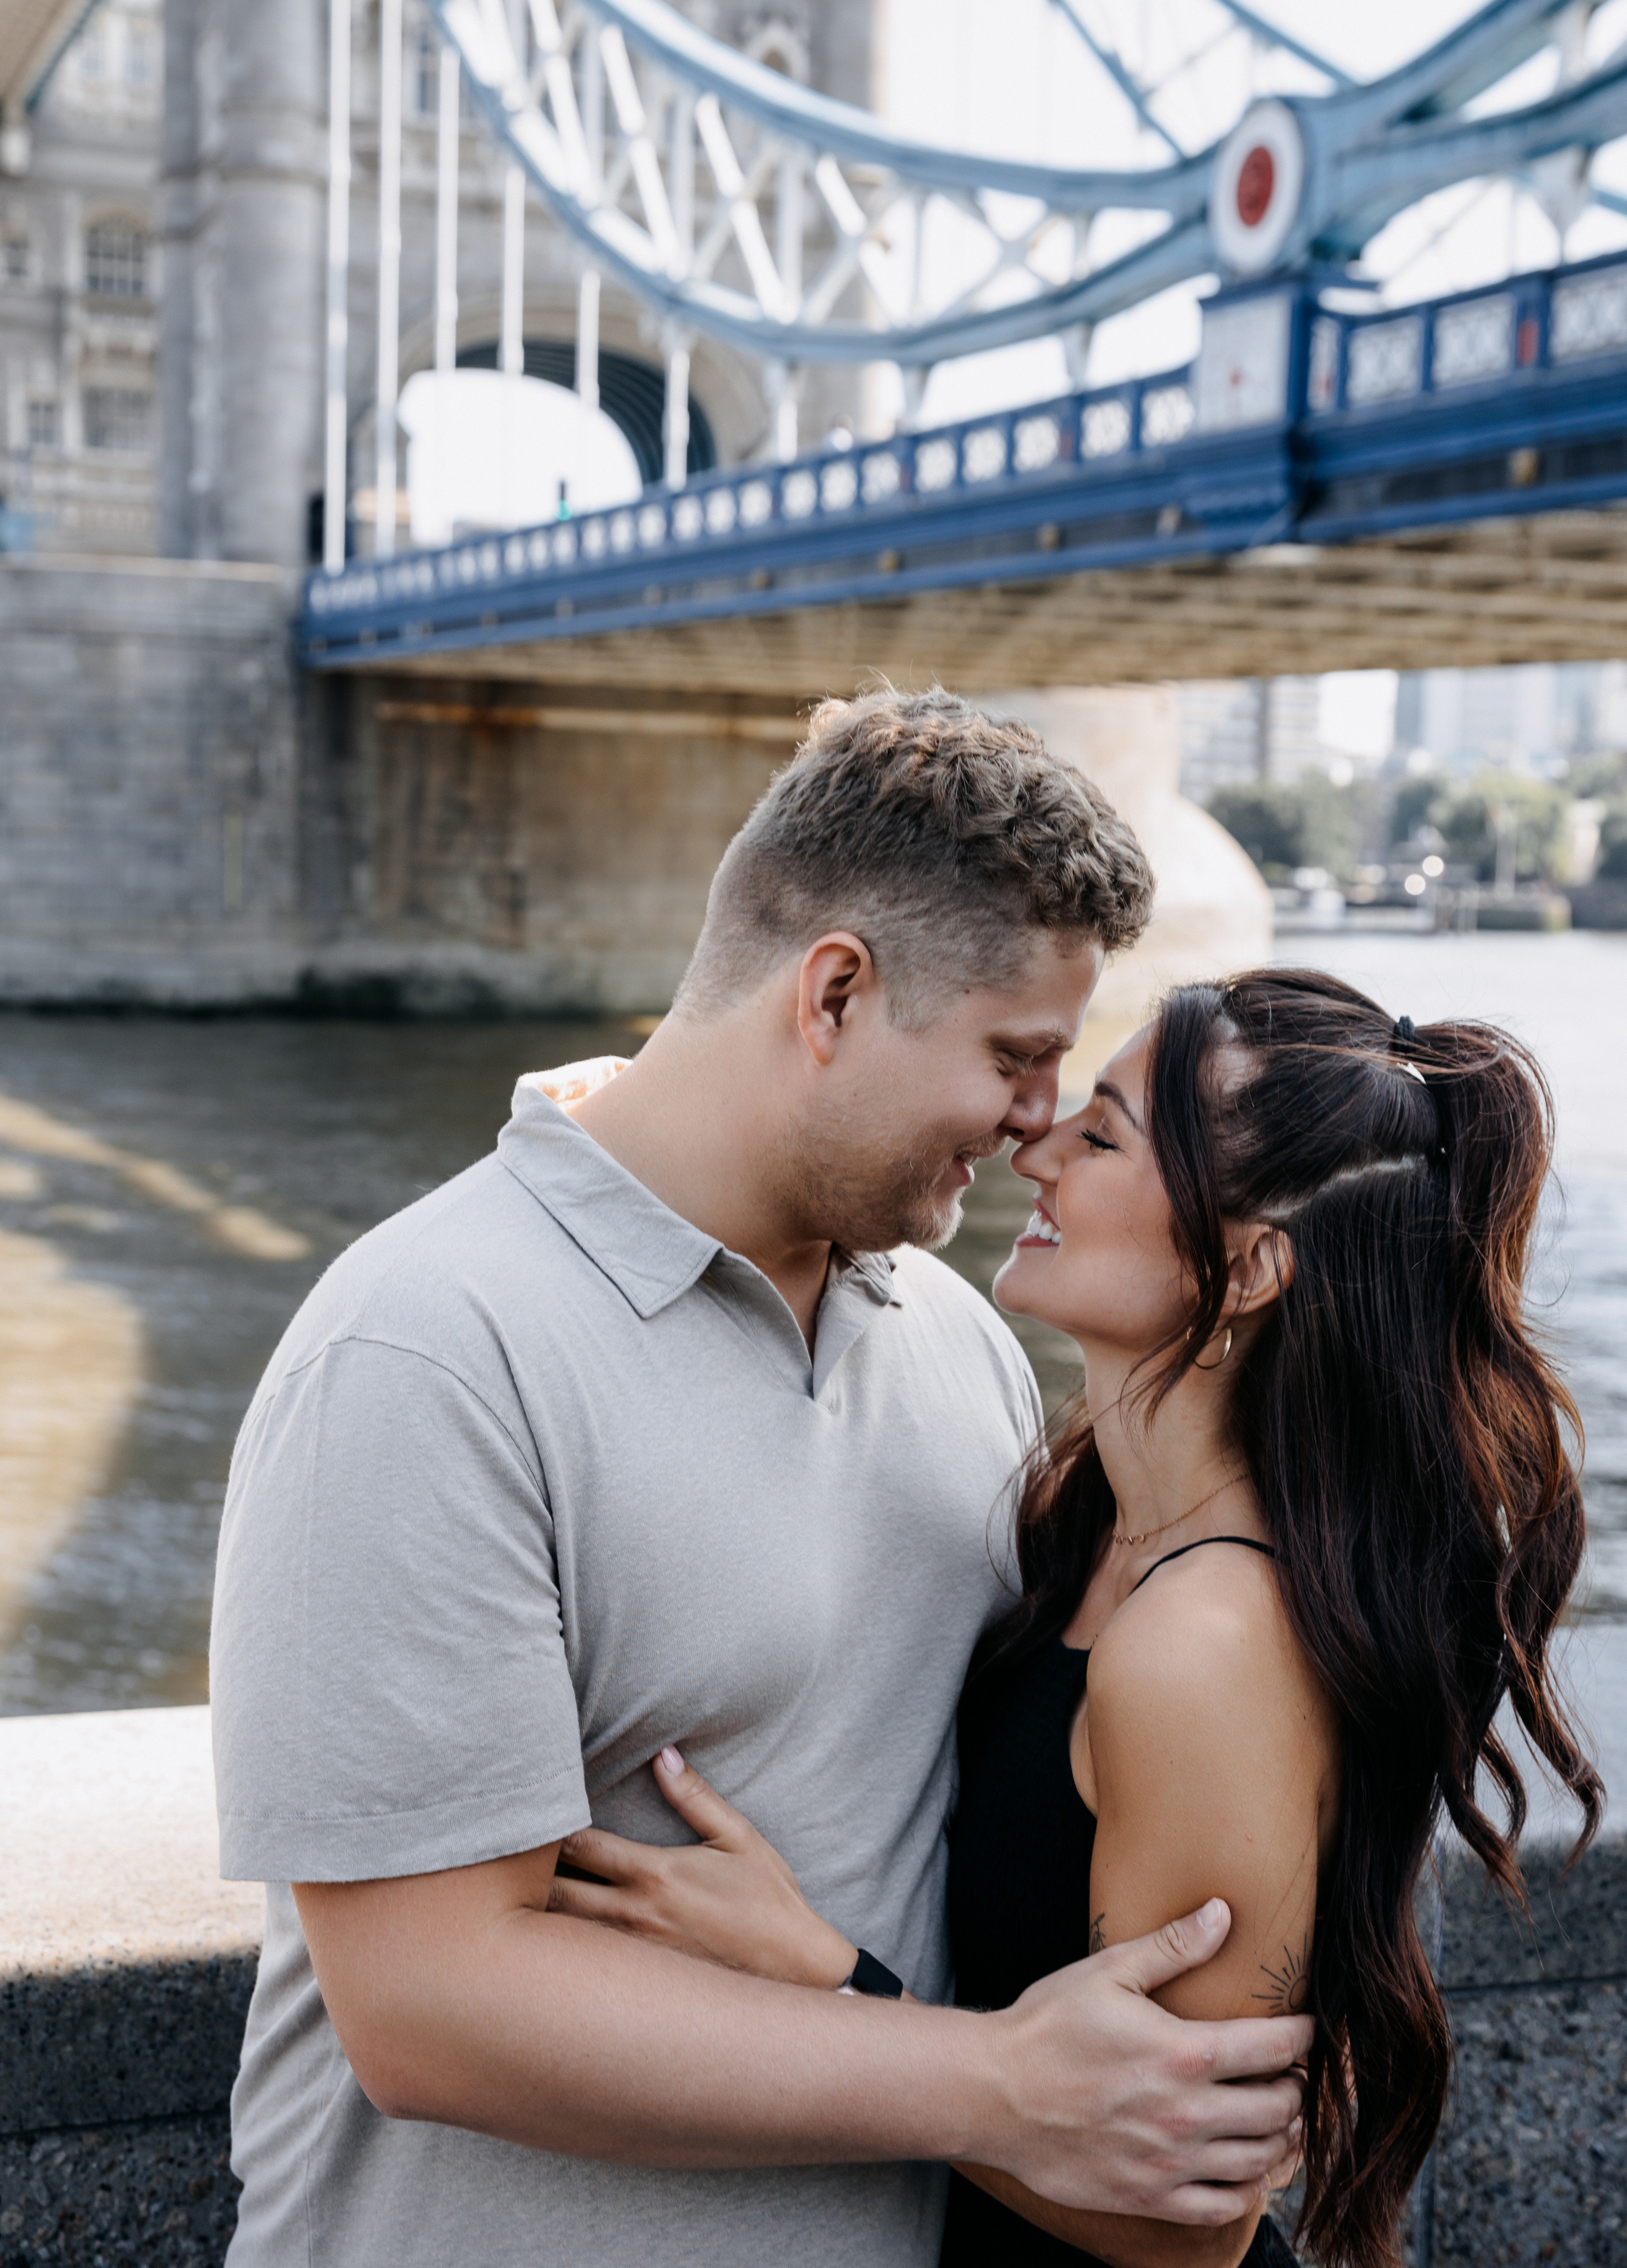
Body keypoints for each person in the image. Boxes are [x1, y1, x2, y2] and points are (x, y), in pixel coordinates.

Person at [208, 691, 1313, 2268]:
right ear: (834, 994)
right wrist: (996, 2082)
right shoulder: (424, 1351)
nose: (1033, 1127)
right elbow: (428, 2009)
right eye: (1012, 1057)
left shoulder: (955, 1336)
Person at [549, 968, 1601, 2268]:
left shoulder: (1197, 1646)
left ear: (1255, 1267)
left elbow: (1182, 2233)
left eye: (1098, 1134)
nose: (1029, 1149)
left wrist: (820, 1978)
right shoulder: (1089, 1508)